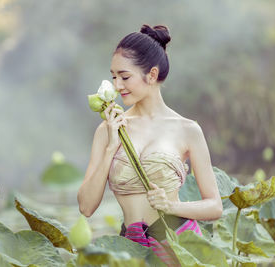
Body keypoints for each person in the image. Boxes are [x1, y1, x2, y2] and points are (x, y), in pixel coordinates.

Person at [77, 24, 222, 266]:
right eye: (113, 77)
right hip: (130, 249)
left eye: (124, 77)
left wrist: (172, 205)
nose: (117, 86)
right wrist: (112, 146)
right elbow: (86, 207)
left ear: (152, 75)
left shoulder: (188, 130)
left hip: (177, 244)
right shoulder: (108, 129)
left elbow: (214, 206)